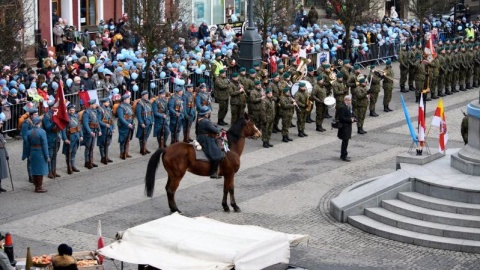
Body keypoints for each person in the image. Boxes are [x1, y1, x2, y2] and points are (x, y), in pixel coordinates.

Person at [196, 106, 223, 179]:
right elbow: (216, 130)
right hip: (205, 139)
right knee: (217, 154)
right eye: (208, 112)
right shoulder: (206, 121)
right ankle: (213, 173)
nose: (209, 113)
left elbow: (212, 125)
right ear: (205, 114)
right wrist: (219, 128)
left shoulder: (201, 119)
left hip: (202, 136)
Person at [24, 116, 49, 193]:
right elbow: (45, 145)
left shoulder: (29, 132)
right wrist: (47, 156)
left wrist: (27, 154)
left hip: (32, 152)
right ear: (40, 123)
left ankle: (36, 185)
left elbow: (27, 144)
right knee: (40, 170)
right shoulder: (42, 132)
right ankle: (39, 187)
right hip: (40, 152)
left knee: (34, 169)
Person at [43, 100, 62, 179]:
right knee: (50, 156)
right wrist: (54, 122)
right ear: (51, 107)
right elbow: (47, 127)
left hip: (57, 137)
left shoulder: (56, 114)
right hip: (50, 138)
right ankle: (49, 171)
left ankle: (54, 170)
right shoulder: (47, 116)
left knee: (55, 155)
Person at [61, 104, 82, 174]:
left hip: (76, 136)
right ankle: (69, 167)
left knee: (74, 152)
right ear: (68, 110)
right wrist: (65, 139)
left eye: (73, 110)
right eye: (70, 110)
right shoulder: (65, 118)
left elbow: (79, 126)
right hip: (69, 137)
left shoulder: (76, 116)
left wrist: (81, 135)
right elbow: (63, 129)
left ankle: (73, 166)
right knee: (68, 153)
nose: (72, 111)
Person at [21, 107, 39, 183]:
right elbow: (24, 135)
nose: (36, 116)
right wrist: (28, 143)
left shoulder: (37, 121)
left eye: (37, 114)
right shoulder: (26, 122)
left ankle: (35, 174)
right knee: (30, 160)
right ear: (31, 115)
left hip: (36, 143)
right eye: (35, 114)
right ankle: (30, 176)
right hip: (29, 144)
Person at [82, 99, 101, 169]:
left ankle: (91, 161)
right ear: (91, 105)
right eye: (95, 104)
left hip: (94, 130)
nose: (96, 105)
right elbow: (85, 123)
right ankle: (87, 162)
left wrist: (99, 130)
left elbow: (97, 121)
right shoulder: (86, 112)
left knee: (92, 147)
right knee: (88, 147)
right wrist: (90, 132)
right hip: (89, 132)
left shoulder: (95, 111)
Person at [337, 95, 355, 162]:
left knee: (346, 142)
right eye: (348, 100)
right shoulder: (342, 107)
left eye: (350, 100)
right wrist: (350, 120)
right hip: (344, 127)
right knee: (345, 142)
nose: (350, 102)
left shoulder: (348, 106)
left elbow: (351, 113)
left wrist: (354, 118)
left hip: (348, 127)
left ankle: (344, 154)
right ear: (345, 100)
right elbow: (341, 118)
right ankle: (343, 156)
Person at [136, 90, 153, 155]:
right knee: (142, 136)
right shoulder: (139, 104)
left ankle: (145, 148)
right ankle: (142, 149)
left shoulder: (148, 102)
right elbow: (138, 115)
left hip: (149, 121)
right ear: (142, 96)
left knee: (146, 136)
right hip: (144, 122)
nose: (146, 97)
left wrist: (152, 120)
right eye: (145, 96)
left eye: (147, 95)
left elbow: (151, 112)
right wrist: (141, 123)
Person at [117, 94, 134, 159]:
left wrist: (132, 123)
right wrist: (127, 124)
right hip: (123, 126)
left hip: (129, 124)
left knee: (128, 139)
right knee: (123, 139)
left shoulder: (129, 106)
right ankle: (122, 153)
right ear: (124, 100)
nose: (129, 100)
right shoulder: (121, 107)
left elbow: (131, 115)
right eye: (128, 99)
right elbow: (121, 118)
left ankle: (126, 152)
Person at [97, 97, 114, 163]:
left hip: (109, 128)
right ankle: (103, 157)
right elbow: (98, 120)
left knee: (107, 143)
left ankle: (106, 156)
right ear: (103, 103)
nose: (108, 103)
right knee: (102, 144)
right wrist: (105, 125)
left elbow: (111, 119)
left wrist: (113, 128)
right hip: (103, 129)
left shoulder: (109, 109)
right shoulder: (100, 110)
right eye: (107, 102)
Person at [0, 114, 9, 192]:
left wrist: (6, 154)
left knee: (1, 170)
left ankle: (0, 185)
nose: (1, 125)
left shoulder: (1, 133)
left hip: (1, 152)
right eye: (0, 124)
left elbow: (3, 144)